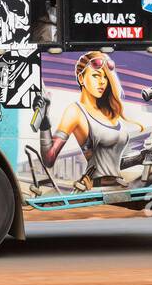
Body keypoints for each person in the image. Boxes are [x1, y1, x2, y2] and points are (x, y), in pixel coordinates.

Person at [36, 51, 146, 191]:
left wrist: (139, 158)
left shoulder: (108, 111)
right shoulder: (75, 111)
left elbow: (110, 163)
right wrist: (44, 121)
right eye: (96, 75)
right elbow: (49, 159)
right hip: (96, 188)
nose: (102, 82)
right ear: (81, 78)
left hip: (118, 186)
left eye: (105, 77)